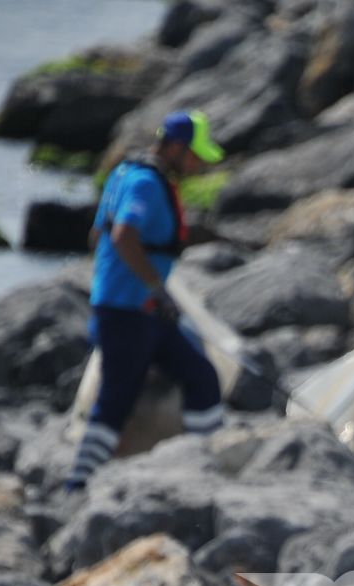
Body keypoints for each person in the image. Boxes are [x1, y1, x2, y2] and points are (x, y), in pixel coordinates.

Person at [65, 110, 226, 492]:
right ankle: (76, 484)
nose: (198, 164)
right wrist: (155, 285)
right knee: (114, 404)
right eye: (193, 155)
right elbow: (122, 236)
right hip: (127, 312)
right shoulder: (145, 184)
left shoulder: (122, 174)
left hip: (143, 312)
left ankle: (208, 465)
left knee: (202, 377)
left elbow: (96, 236)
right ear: (172, 147)